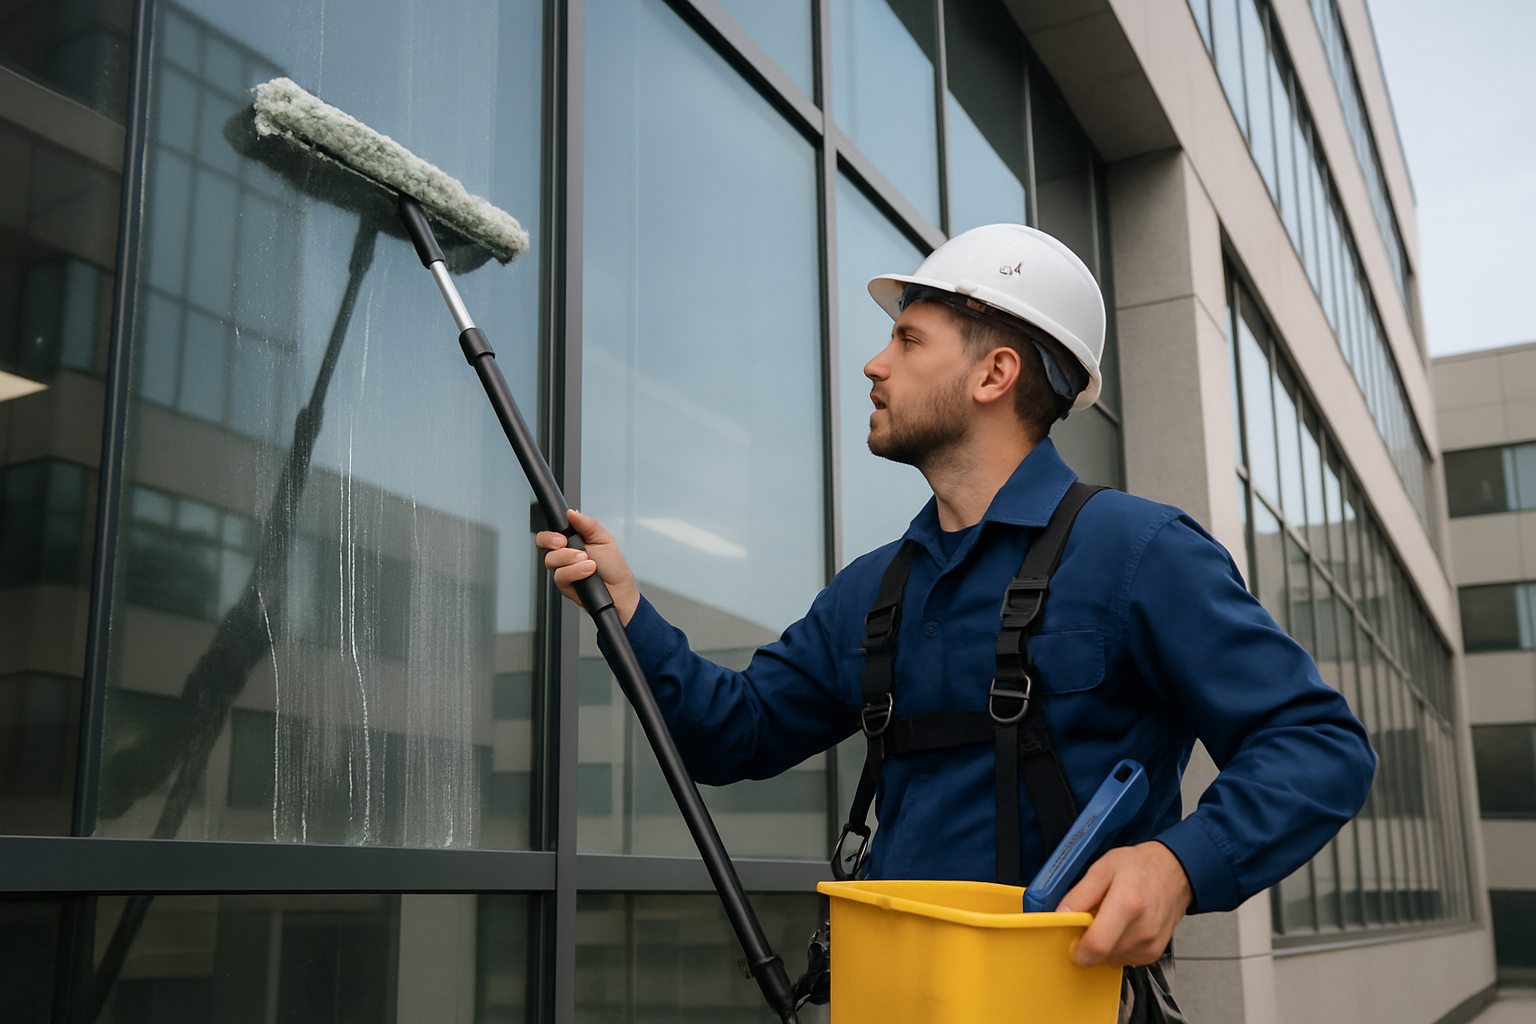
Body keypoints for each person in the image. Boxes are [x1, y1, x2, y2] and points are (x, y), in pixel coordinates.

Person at [537, 224, 1375, 988]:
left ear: (994, 373)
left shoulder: (1138, 551)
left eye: (906, 339)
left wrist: (1177, 864)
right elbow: (734, 734)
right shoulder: (874, 588)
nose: (876, 364)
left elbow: (1317, 744)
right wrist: (629, 612)